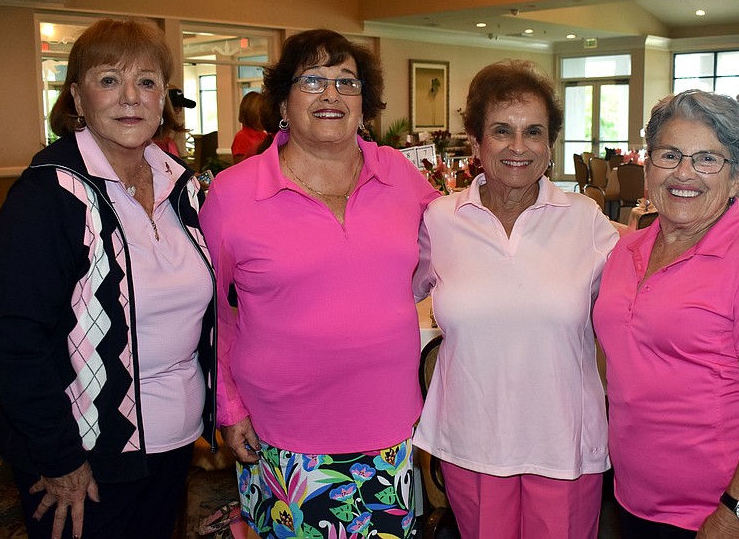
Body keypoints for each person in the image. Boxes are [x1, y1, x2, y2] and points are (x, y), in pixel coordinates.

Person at [0, 18, 216, 539]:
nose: (131, 97)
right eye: (109, 79)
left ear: (163, 101)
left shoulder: (185, 188)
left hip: (176, 437)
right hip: (85, 450)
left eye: (147, 82)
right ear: (77, 98)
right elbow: (14, 339)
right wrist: (58, 456)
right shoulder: (49, 195)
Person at [199, 29, 439, 539]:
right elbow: (212, 313)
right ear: (283, 99)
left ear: (364, 101)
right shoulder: (234, 193)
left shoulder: (397, 174)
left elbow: (456, 240)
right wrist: (228, 405)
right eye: (312, 80)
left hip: (389, 426)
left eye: (346, 82)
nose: (331, 94)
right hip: (281, 430)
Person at [412, 60, 619, 538]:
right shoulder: (440, 219)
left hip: (564, 442)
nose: (518, 147)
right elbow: (386, 294)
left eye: (534, 132)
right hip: (472, 439)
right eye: (502, 130)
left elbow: (637, 303)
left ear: (550, 144)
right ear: (476, 140)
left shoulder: (585, 219)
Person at [594, 89, 739, 538]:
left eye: (707, 159)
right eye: (669, 155)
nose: (683, 173)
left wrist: (733, 515)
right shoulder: (626, 249)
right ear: (648, 166)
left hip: (723, 514)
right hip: (635, 498)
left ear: (737, 177)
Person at [231, 91, 268, 162]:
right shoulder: (241, 138)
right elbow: (239, 166)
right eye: (263, 116)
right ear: (253, 116)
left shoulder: (263, 135)